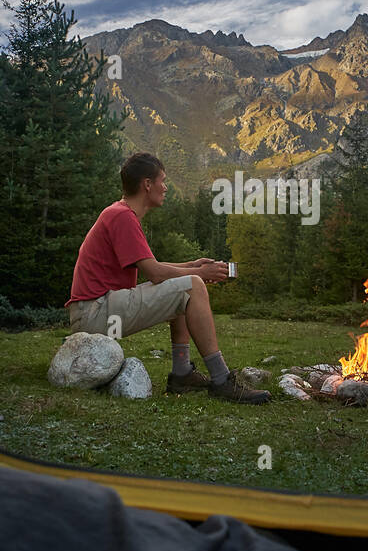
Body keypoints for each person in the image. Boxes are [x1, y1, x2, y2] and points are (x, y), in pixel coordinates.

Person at [65, 152, 271, 404]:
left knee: (183, 288)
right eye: (162, 180)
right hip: (94, 314)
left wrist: (192, 265)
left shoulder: (120, 213)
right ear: (147, 184)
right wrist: (199, 273)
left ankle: (182, 373)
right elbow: (154, 273)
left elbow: (153, 267)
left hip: (98, 310)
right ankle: (221, 380)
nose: (165, 187)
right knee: (192, 286)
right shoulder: (121, 216)